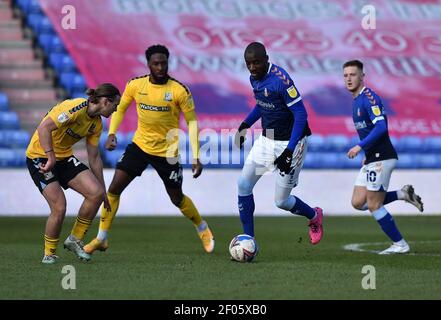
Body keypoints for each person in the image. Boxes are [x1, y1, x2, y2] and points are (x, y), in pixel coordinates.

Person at [84, 45, 214, 254]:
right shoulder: (136, 85)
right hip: (140, 146)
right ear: (148, 65)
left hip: (167, 152)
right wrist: (112, 133)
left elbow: (192, 123)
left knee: (177, 198)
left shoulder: (180, 90)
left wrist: (196, 156)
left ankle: (202, 227)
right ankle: (101, 238)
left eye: (164, 63)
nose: (160, 67)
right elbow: (121, 108)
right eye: (156, 63)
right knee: (113, 189)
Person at [234, 42, 323, 245]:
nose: (253, 67)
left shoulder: (281, 81)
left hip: (293, 142)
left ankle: (314, 216)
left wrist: (289, 151)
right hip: (268, 139)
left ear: (266, 59)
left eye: (256, 62)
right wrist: (245, 125)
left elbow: (301, 114)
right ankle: (249, 240)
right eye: (249, 64)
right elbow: (263, 104)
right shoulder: (254, 79)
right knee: (243, 184)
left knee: (281, 201)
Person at [26, 83, 121, 264]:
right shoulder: (76, 107)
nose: (115, 110)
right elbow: (44, 128)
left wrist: (103, 191)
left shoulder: (96, 124)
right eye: (115, 106)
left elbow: (94, 158)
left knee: (95, 194)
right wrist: (50, 157)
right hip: (40, 156)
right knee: (59, 206)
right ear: (106, 101)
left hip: (63, 158)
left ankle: (74, 240)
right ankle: (49, 253)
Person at [343, 59, 424, 255]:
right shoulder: (356, 101)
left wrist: (360, 146)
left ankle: (400, 244)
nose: (349, 79)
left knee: (373, 204)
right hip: (372, 156)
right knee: (358, 203)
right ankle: (402, 194)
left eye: (353, 74)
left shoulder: (369, 98)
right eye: (345, 75)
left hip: (383, 156)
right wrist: (367, 153)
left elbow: (381, 126)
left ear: (362, 76)